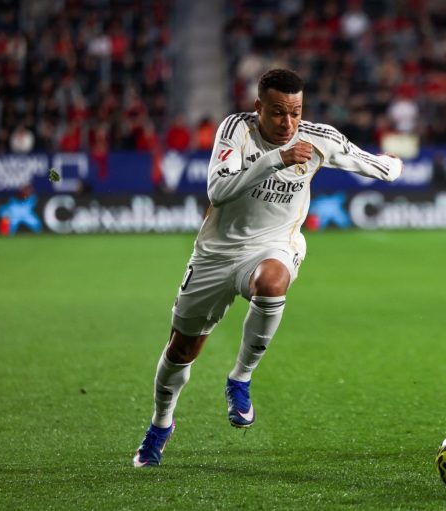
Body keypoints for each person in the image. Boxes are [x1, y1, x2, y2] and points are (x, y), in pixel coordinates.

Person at [132, 68, 403, 467]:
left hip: (274, 245)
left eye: (295, 112)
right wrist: (276, 159)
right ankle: (161, 423)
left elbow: (372, 163)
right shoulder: (236, 130)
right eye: (277, 112)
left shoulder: (318, 139)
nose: (288, 122)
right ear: (258, 107)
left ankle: (240, 378)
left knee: (273, 283)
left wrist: (393, 166)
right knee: (181, 349)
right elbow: (218, 191)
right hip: (216, 253)